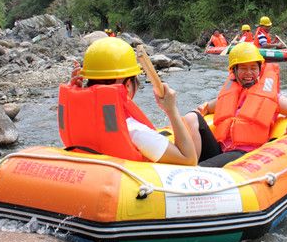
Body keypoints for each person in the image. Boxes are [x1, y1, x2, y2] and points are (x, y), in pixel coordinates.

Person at [67, 37, 197, 166]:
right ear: (128, 85)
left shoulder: (75, 115)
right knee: (197, 122)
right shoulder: (133, 129)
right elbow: (189, 159)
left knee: (195, 119)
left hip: (97, 175)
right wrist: (171, 110)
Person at [183, 43, 287, 167]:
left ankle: (194, 171)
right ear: (234, 71)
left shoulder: (273, 98)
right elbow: (204, 109)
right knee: (191, 117)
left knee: (202, 168)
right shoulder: (228, 96)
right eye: (243, 69)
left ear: (260, 70)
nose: (249, 73)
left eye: (253, 68)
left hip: (244, 154)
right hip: (220, 149)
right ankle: (190, 161)